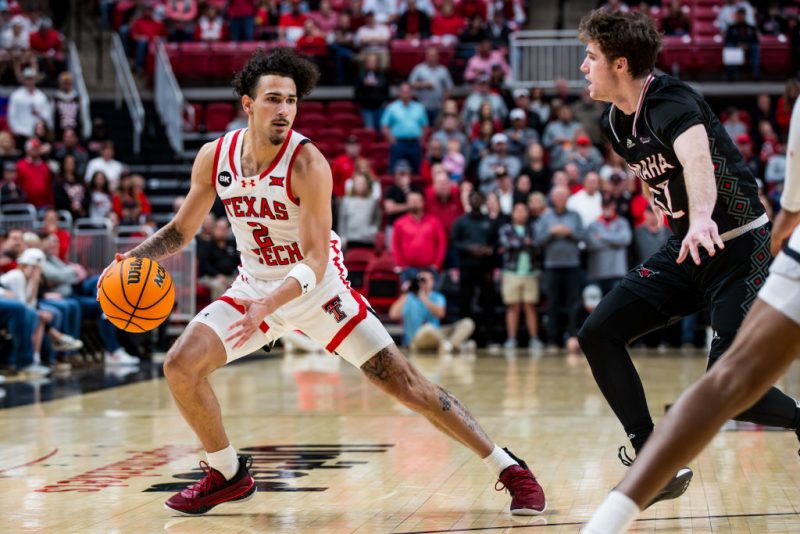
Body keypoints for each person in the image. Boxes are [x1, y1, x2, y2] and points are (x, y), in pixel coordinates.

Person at [99, 47, 545, 517]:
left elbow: (314, 260)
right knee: (180, 365)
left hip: (319, 291)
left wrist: (271, 305)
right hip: (253, 288)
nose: (285, 110)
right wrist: (127, 260)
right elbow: (179, 232)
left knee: (407, 385)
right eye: (273, 99)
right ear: (248, 105)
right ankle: (227, 473)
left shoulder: (308, 164)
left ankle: (508, 467)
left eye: (292, 100)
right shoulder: (216, 157)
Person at [576, 9, 800, 508]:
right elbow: (653, 167)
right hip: (687, 249)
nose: (583, 66)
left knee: (734, 388)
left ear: (619, 63)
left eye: (590, 57)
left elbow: (696, 156)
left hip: (740, 247)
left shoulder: (671, 99)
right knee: (598, 333)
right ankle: (655, 457)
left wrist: (700, 217)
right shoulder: (614, 120)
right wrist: (664, 205)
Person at [388, 268, 474, 353]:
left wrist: (423, 297)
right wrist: (407, 292)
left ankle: (449, 346)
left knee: (467, 323)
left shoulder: (438, 297)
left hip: (437, 334)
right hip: (417, 337)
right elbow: (393, 315)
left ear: (432, 282)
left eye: (425, 280)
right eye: (420, 280)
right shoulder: (408, 298)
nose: (422, 283)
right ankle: (456, 345)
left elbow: (441, 313)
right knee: (427, 329)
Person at [498, 202, 542, 349]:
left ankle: (534, 338)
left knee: (530, 306)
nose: (521, 213)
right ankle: (511, 339)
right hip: (511, 272)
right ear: (513, 213)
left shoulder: (533, 228)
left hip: (531, 272)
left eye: (524, 210)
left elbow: (538, 245)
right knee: (513, 306)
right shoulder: (506, 228)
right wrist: (526, 243)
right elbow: (508, 244)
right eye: (518, 210)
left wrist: (522, 243)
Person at [381, 82, 428, 173]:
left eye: (407, 91)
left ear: (411, 92)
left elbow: (425, 126)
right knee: (395, 171)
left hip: (414, 143)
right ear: (399, 93)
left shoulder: (419, 107)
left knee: (416, 170)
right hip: (398, 143)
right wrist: (391, 139)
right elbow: (384, 126)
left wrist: (421, 140)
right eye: (403, 91)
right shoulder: (392, 107)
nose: (405, 93)